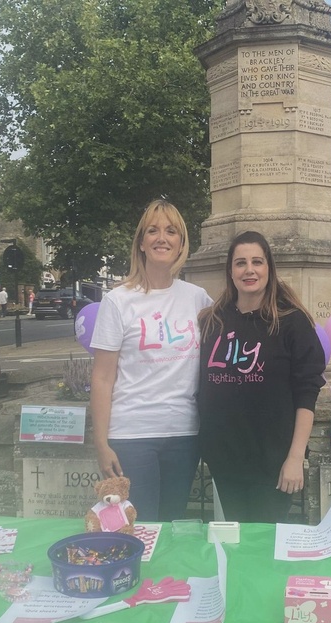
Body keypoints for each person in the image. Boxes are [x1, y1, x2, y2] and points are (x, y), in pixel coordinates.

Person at [89, 199, 212, 521]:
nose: (162, 238)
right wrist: (101, 443)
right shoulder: (118, 301)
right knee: (137, 526)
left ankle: (167, 576)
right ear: (141, 243)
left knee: (172, 524)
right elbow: (102, 377)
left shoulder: (197, 298)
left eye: (171, 231)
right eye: (153, 231)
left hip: (184, 434)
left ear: (181, 243)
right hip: (132, 435)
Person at [198, 231, 326, 524]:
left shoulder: (292, 322)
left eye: (257, 261)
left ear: (269, 268)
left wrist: (295, 458)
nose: (249, 270)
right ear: (230, 271)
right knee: (238, 545)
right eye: (240, 263)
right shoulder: (213, 321)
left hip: (274, 465)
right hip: (226, 461)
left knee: (265, 549)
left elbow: (306, 393)